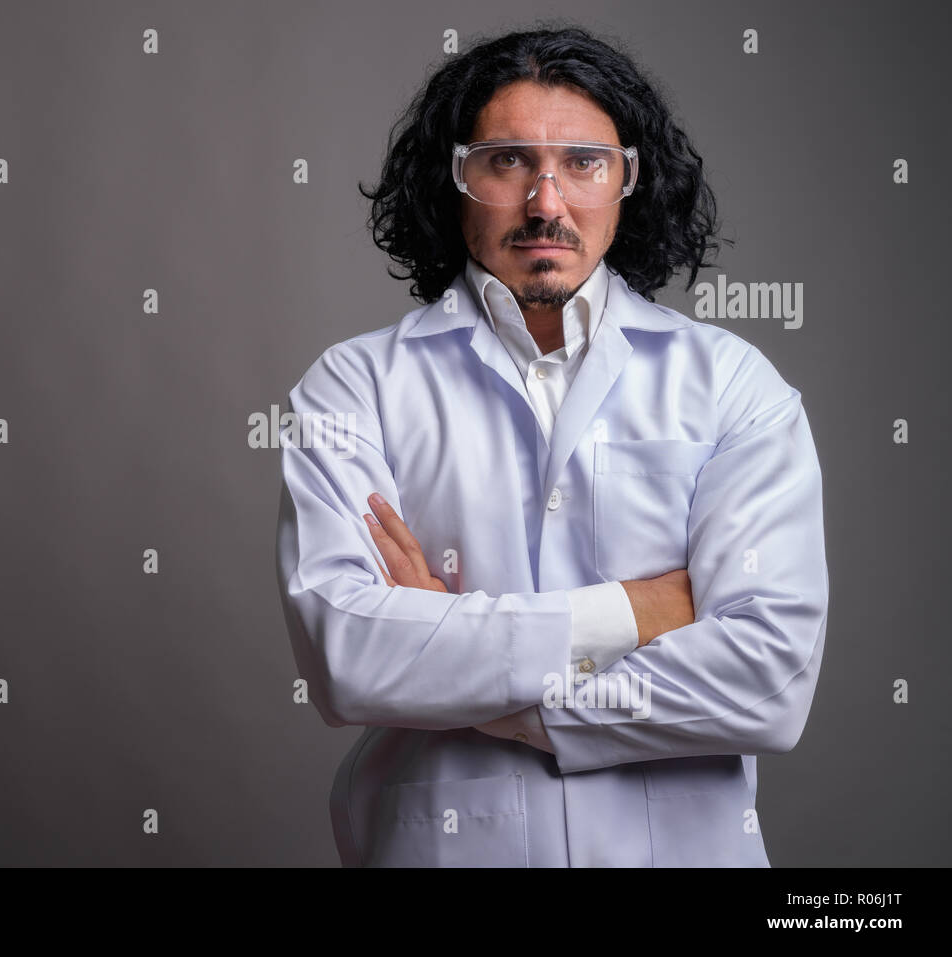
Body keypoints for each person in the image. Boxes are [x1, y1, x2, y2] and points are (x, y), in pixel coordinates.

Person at [273, 25, 828, 867]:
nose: (546, 202)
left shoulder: (733, 385)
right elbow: (350, 657)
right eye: (506, 161)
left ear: (628, 184)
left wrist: (472, 677)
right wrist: (636, 611)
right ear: (453, 181)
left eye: (583, 162)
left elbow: (769, 680)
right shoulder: (352, 387)